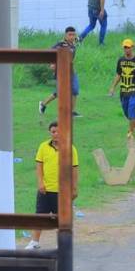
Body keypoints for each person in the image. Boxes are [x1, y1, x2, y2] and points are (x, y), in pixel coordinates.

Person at [25, 121, 79, 249]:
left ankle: (63, 244)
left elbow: (74, 169)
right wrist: (40, 182)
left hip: (62, 190)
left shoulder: (70, 148)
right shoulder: (43, 147)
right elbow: (39, 166)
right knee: (40, 215)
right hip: (46, 189)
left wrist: (74, 188)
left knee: (62, 219)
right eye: (53, 131)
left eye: (58, 131)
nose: (56, 134)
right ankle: (34, 242)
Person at [108, 38, 135, 138]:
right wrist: (112, 88)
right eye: (125, 47)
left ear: (132, 47)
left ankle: (130, 131)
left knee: (132, 106)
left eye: (128, 47)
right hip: (124, 90)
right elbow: (118, 75)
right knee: (126, 110)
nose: (127, 49)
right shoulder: (121, 60)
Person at [38, 26, 80, 117]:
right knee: (59, 92)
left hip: (72, 71)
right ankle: (43, 104)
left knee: (75, 90)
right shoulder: (60, 44)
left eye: (73, 35)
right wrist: (52, 64)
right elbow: (48, 53)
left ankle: (71, 112)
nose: (72, 37)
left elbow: (71, 58)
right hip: (61, 72)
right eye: (70, 35)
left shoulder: (73, 45)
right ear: (65, 35)